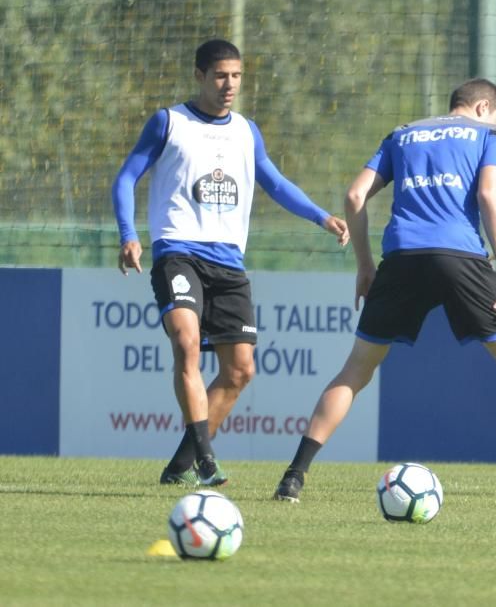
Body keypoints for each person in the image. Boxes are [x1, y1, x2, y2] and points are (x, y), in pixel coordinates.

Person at [272, 78, 496, 509]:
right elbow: (489, 193)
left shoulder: (403, 133)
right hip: (460, 255)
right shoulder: (489, 135)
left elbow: (354, 195)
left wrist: (364, 266)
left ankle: (293, 477)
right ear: (483, 107)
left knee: (355, 371)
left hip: (401, 257)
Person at [113, 39, 350, 487]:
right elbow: (126, 177)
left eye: (236, 76)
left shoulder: (246, 130)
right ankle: (206, 460)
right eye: (220, 75)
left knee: (240, 370)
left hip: (228, 263)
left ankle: (179, 466)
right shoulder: (169, 122)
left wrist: (321, 217)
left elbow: (275, 183)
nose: (229, 85)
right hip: (178, 251)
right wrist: (129, 236)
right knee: (186, 343)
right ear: (200, 75)